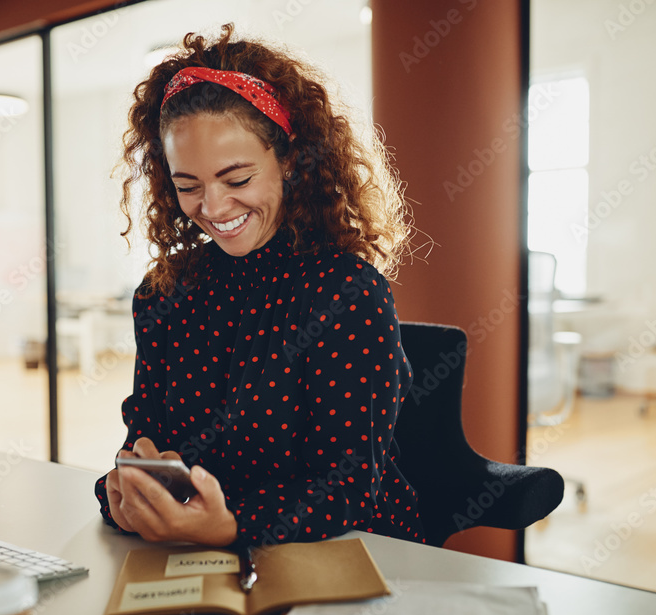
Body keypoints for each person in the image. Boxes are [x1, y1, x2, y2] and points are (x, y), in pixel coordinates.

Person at [94, 24, 425, 549]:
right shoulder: (162, 295)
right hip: (199, 552)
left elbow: (346, 489)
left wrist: (229, 525)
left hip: (351, 550)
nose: (214, 207)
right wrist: (128, 490)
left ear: (290, 161)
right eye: (188, 186)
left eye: (237, 179)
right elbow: (145, 441)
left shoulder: (347, 292)